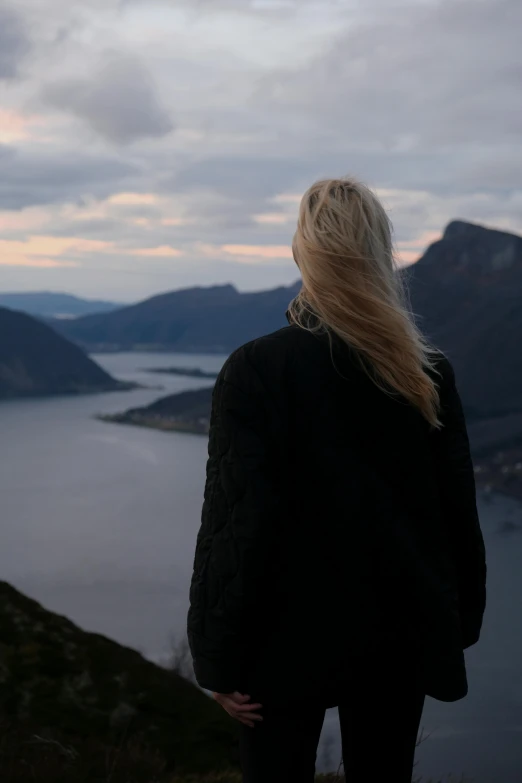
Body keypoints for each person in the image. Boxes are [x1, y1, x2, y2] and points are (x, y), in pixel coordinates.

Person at [186, 177, 487, 782]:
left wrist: (217, 659)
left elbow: (236, 520)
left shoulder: (256, 369)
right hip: (400, 637)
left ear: (303, 253)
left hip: (281, 638)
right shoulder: (425, 372)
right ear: (383, 253)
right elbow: (455, 507)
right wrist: (457, 624)